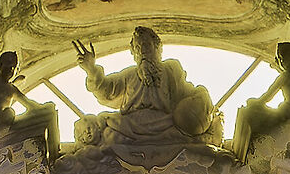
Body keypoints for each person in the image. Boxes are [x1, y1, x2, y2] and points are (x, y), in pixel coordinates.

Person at [72, 28, 219, 153]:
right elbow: (107, 92)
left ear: (157, 48)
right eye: (137, 48)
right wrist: (91, 70)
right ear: (133, 53)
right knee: (109, 135)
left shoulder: (171, 70)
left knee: (179, 136)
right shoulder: (129, 75)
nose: (142, 50)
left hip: (163, 124)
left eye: (146, 45)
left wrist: (202, 99)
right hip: (129, 126)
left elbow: (187, 94)